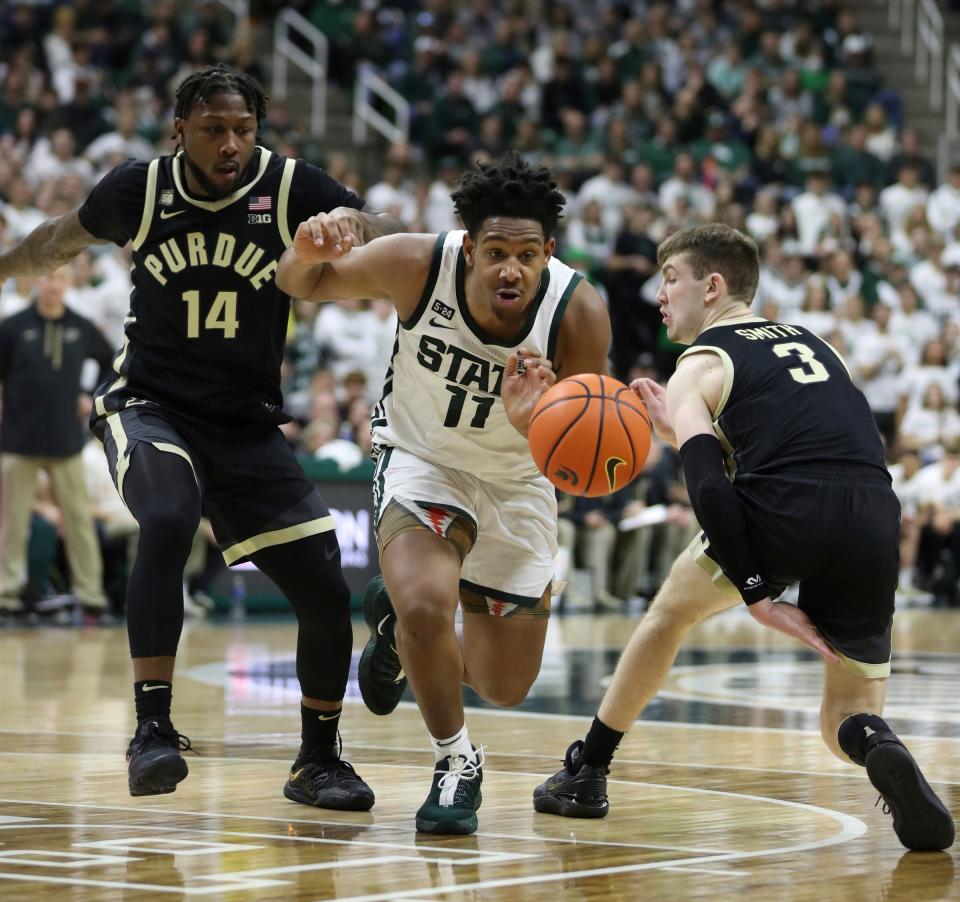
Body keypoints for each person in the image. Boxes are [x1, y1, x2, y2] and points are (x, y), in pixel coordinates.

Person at [0, 64, 405, 805]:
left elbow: (385, 233)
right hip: (149, 403)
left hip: (243, 422)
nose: (230, 145)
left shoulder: (288, 187)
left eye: (243, 130)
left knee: (321, 581)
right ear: (179, 130)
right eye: (214, 130)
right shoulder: (140, 189)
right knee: (168, 514)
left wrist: (355, 225)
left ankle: (318, 760)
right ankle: (152, 729)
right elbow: (57, 240)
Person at [531, 223, 955, 853]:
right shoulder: (819, 344)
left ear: (714, 284)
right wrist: (679, 428)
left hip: (785, 508)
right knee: (844, 717)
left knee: (667, 616)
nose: (659, 294)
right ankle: (878, 743)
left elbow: (707, 487)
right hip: (871, 509)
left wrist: (756, 590)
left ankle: (586, 770)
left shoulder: (698, 362)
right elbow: (806, 437)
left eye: (670, 278)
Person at [277, 151, 611, 834]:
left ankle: (395, 631)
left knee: (503, 685)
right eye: (495, 252)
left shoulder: (579, 313)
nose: (509, 269)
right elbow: (300, 284)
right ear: (468, 247)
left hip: (518, 481)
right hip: (422, 459)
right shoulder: (415, 262)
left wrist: (537, 426)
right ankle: (456, 762)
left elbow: (583, 459)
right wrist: (304, 251)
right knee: (428, 607)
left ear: (548, 251)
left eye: (525, 254)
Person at [0, 263, 114, 618]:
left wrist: (91, 395)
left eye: (60, 279)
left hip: (66, 441)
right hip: (18, 439)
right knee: (12, 521)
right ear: (38, 281)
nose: (53, 285)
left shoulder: (81, 328)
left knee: (79, 520)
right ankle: (7, 594)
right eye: (48, 278)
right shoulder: (13, 327)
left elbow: (114, 363)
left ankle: (91, 594)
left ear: (67, 284)